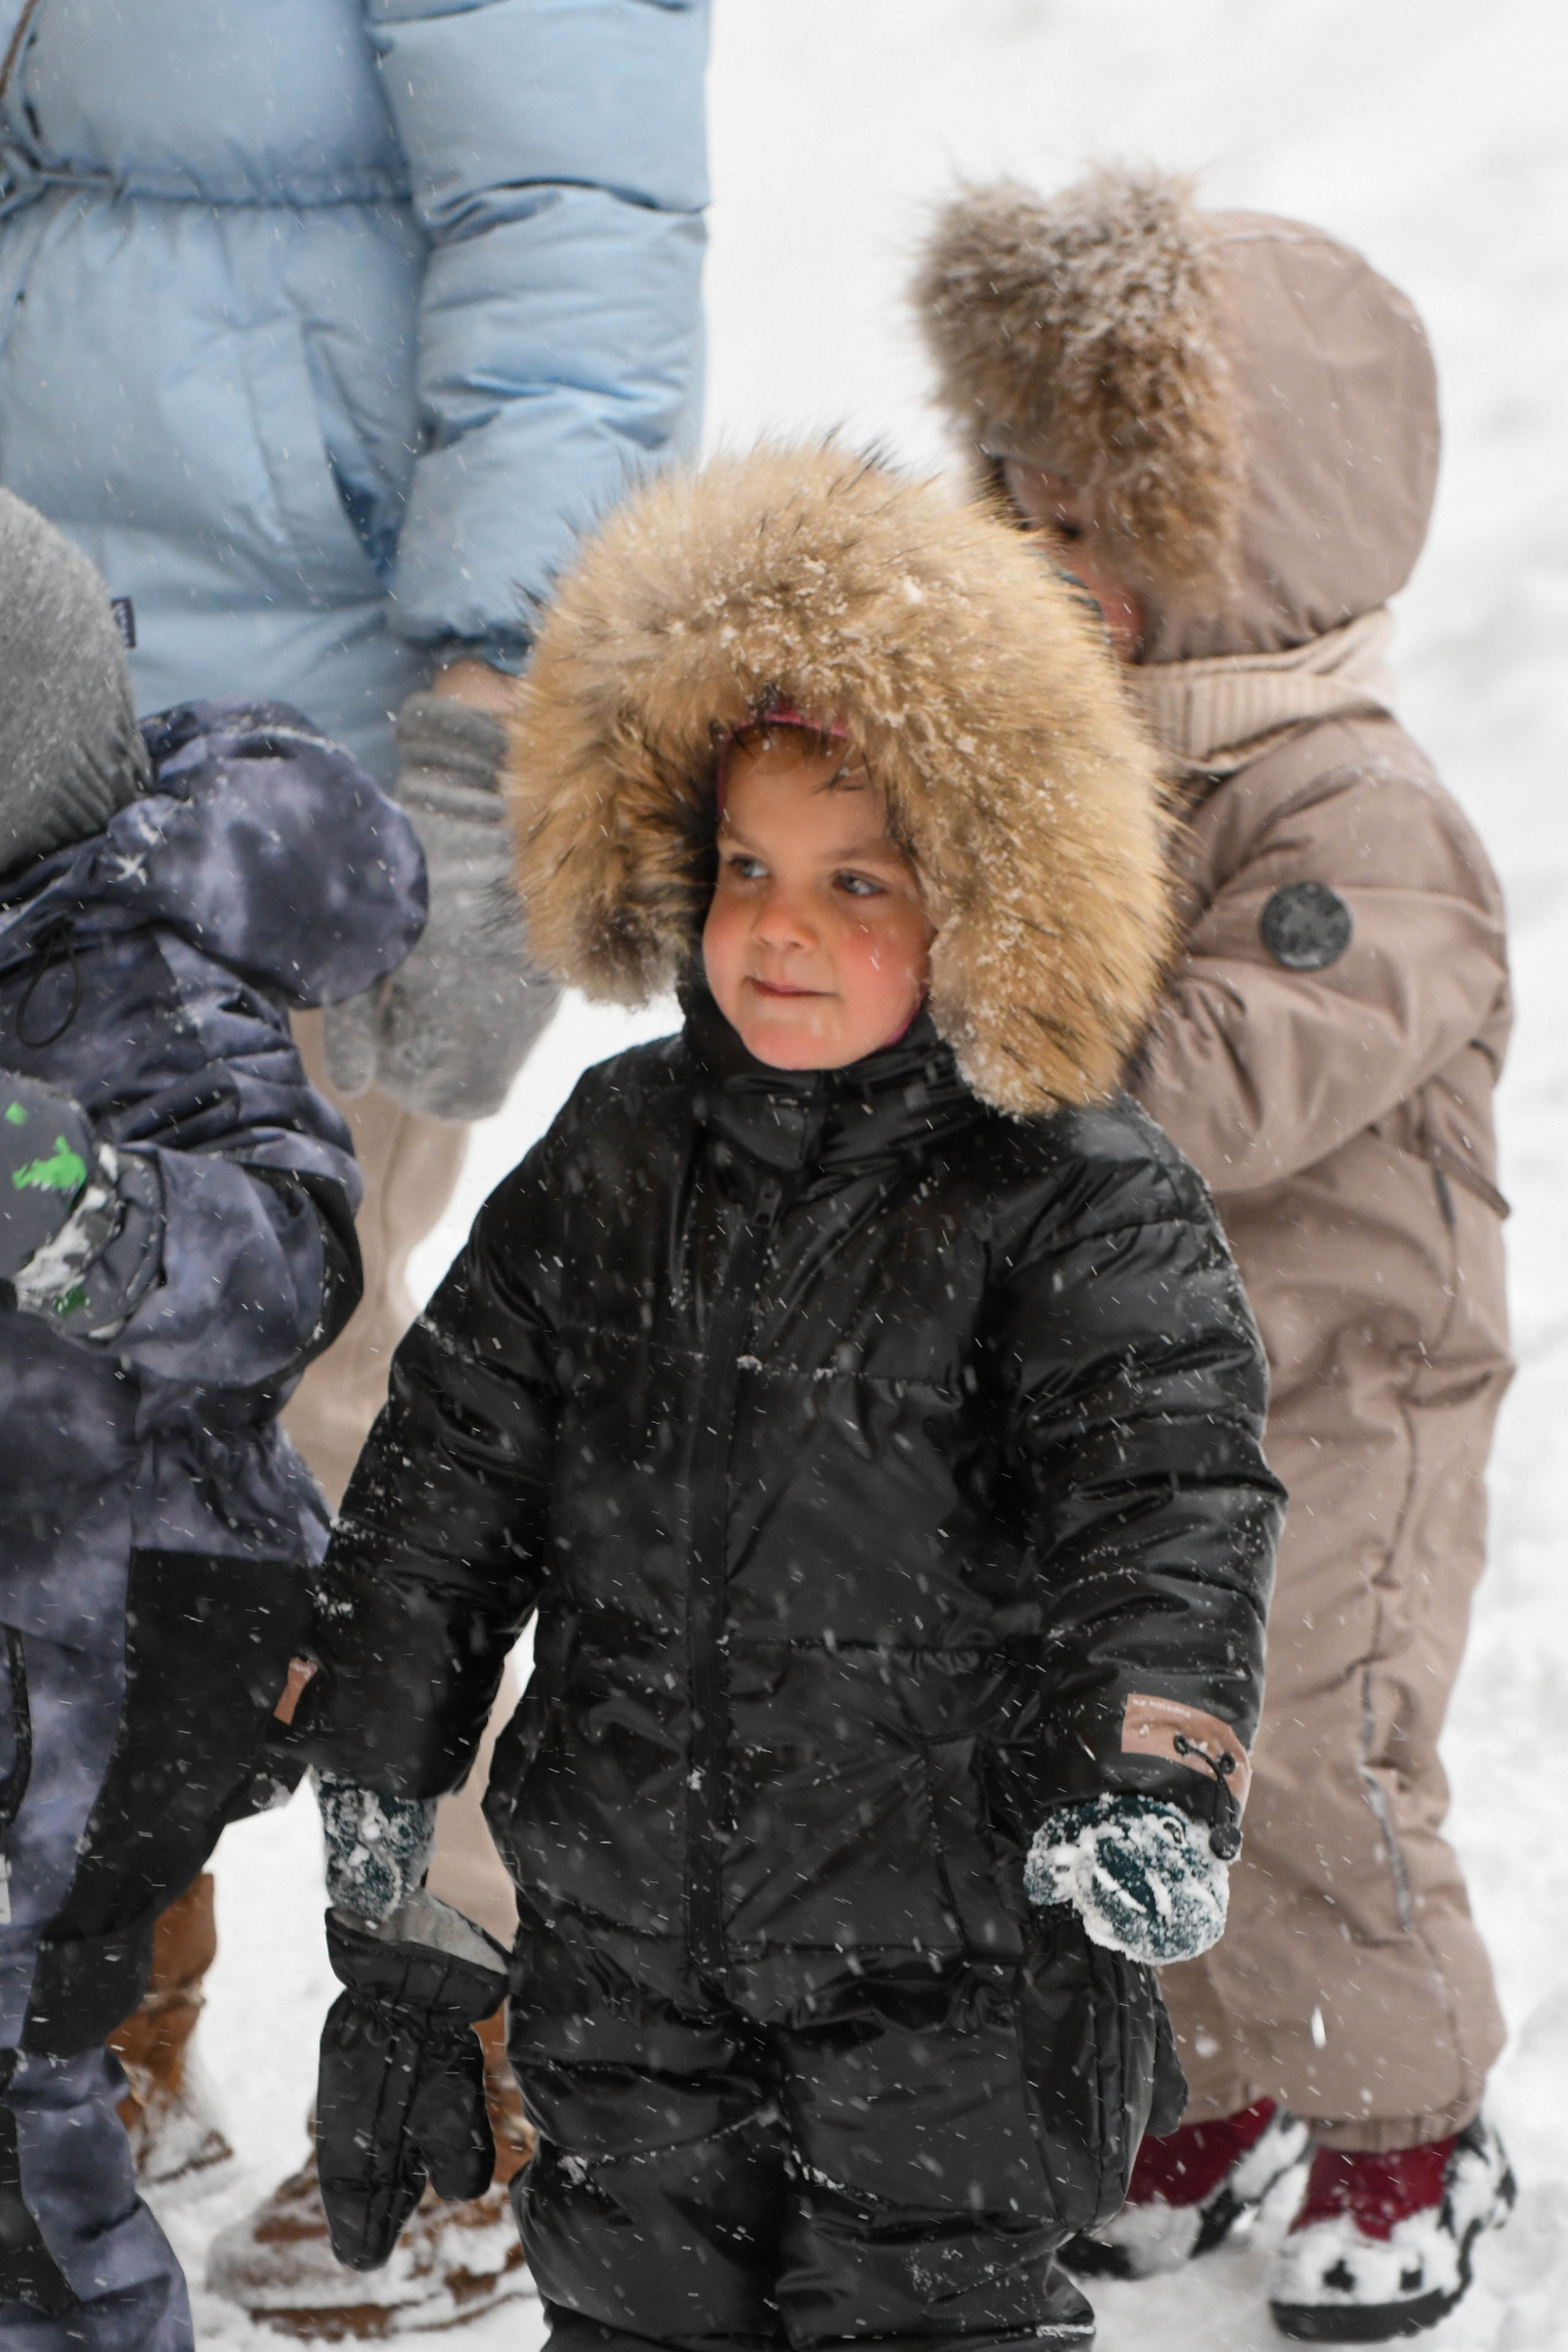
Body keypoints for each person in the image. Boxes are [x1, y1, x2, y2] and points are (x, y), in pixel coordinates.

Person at [279, 443, 1285, 2352]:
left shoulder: (1069, 1193)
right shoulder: (614, 1151)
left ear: (980, 897)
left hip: (954, 1977)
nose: (779, 926)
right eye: (743, 868)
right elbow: (445, 1484)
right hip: (623, 1953)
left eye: (855, 881)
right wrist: (387, 1833)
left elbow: (1165, 1499)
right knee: (635, 2308)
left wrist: (1156, 1764)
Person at [0, 0, 710, 2305]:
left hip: (280, 777)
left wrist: (494, 714)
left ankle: (479, 2041)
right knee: (50, 1450)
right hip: (34, 711)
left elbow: (573, 232)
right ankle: (87, 2017)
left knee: (330, 1435)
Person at [913, 169, 1517, 2342]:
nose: (1041, 569)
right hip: (1143, 1419)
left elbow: (1222, 1081)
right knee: (1121, 1752)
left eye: (1094, 532)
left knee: (1312, 1776)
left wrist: (1003, 1010)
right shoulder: (1082, 781)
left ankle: (1398, 2119)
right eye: (1020, 513)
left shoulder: (1355, 815)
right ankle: (1200, 2086)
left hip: (1344, 1403)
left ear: (1235, 542)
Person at [0, 495, 425, 2348]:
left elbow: (289, 1259)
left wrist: (85, 1211)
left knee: (21, 2110)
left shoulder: (136, 981)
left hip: (128, 1636)